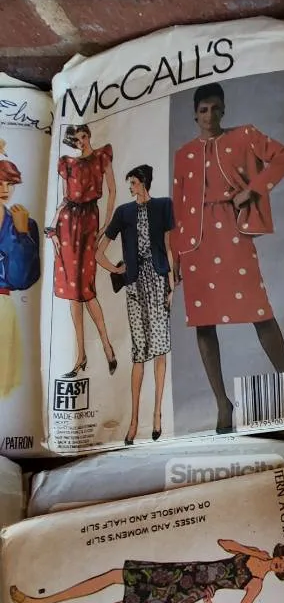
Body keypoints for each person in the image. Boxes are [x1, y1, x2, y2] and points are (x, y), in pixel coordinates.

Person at [172, 82, 284, 433]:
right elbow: (178, 206)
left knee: (260, 312)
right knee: (203, 323)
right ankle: (222, 403)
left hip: (231, 231)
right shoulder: (183, 154)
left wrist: (252, 191)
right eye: (203, 110)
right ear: (194, 114)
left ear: (224, 109)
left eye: (215, 108)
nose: (209, 115)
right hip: (194, 242)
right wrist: (175, 255)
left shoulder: (243, 136)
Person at [7, 538, 284, 603]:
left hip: (185, 592)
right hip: (181, 572)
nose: (280, 565)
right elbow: (224, 543)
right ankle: (36, 602)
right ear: (280, 553)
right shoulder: (257, 553)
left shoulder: (256, 586)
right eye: (282, 559)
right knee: (114, 575)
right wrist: (251, 552)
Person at [96, 164, 175, 443]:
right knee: (139, 352)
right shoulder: (123, 212)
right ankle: (133, 422)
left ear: (143, 183)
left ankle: (157, 415)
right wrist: (116, 269)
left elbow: (169, 248)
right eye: (129, 183)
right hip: (134, 285)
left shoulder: (164, 206)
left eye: (133, 182)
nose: (130, 187)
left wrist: (172, 285)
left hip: (158, 281)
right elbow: (99, 253)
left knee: (160, 349)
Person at [48, 124, 117, 378]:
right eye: (76, 140)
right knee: (72, 292)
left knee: (86, 290)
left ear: (89, 136)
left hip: (89, 222)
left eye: (84, 137)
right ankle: (81, 355)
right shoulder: (67, 164)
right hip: (67, 225)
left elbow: (112, 191)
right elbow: (64, 200)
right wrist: (53, 228)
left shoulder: (102, 156)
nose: (82, 142)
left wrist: (107, 225)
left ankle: (107, 346)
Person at [0, 157, 40, 398]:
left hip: (3, 306)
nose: (5, 189)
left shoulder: (24, 223)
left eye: (10, 184)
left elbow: (22, 280)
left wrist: (22, 234)